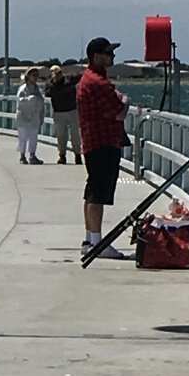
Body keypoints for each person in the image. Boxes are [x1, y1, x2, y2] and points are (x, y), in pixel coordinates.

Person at [77, 35, 130, 253]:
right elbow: (118, 112)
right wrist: (125, 100)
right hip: (103, 143)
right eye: (108, 53)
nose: (112, 56)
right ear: (96, 56)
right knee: (99, 193)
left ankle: (90, 239)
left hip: (92, 142)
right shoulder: (99, 83)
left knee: (91, 191)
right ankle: (98, 243)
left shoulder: (87, 79)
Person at [47, 58, 78, 166]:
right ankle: (62, 155)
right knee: (61, 135)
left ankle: (77, 155)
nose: (57, 75)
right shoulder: (50, 84)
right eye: (55, 74)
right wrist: (54, 83)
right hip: (59, 112)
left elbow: (79, 77)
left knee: (75, 135)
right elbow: (48, 93)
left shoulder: (68, 80)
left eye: (59, 73)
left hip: (72, 110)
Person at [15, 64, 45, 165]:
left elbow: (41, 103)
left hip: (34, 117)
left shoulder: (37, 89)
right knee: (23, 138)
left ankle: (32, 155)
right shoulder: (23, 89)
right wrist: (32, 98)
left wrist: (41, 117)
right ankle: (22, 156)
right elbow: (20, 101)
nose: (35, 77)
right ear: (28, 76)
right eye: (33, 75)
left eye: (37, 75)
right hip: (23, 117)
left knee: (34, 137)